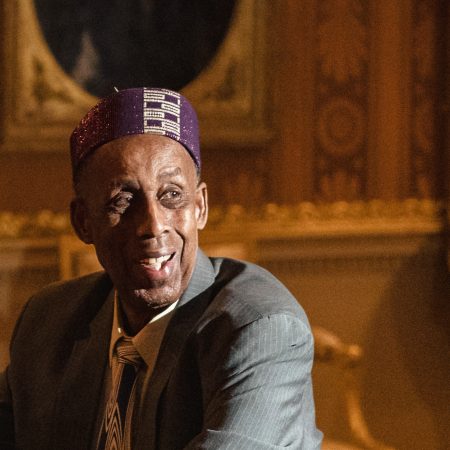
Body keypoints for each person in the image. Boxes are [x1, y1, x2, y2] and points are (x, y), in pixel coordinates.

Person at [0, 87, 322, 449]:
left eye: (172, 195)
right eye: (122, 200)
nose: (153, 225)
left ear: (200, 206)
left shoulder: (259, 329)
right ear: (83, 221)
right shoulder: (48, 321)